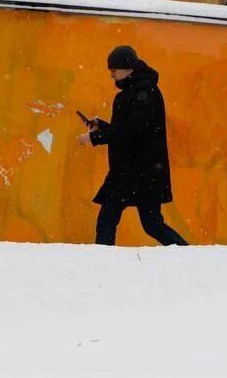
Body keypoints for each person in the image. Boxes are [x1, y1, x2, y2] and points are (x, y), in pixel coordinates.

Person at [78, 45, 189, 246]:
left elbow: (130, 131)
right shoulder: (135, 92)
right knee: (110, 219)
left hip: (141, 171)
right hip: (130, 170)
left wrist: (97, 137)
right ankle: (102, 260)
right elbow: (127, 130)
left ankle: (189, 254)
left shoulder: (145, 93)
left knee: (150, 224)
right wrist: (100, 126)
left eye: (114, 68)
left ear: (128, 67)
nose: (111, 73)